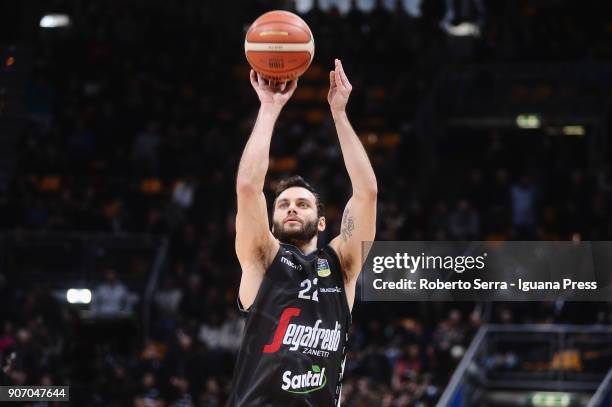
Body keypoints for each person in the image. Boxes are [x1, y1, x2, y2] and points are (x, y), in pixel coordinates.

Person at [228, 59, 377, 406]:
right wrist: (268, 108)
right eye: (283, 204)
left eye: (302, 204)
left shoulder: (342, 265)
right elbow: (248, 187)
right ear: (273, 220)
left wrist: (339, 114)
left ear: (322, 222)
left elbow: (366, 192)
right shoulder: (262, 257)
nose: (292, 207)